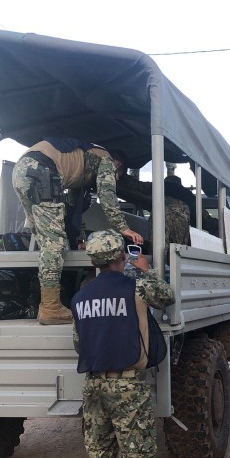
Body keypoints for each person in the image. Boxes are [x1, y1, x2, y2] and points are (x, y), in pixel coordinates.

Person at [69, 229, 175, 458]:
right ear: (120, 256)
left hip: (93, 386)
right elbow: (167, 296)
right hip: (127, 386)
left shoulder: (81, 297)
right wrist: (143, 267)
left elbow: (77, 342)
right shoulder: (137, 286)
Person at [12, 138, 143, 325]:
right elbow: (107, 195)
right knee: (53, 244)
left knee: (46, 239)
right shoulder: (106, 159)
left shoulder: (80, 161)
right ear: (118, 164)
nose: (114, 178)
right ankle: (50, 307)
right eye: (117, 176)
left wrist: (79, 239)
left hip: (22, 170)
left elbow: (73, 211)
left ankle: (45, 302)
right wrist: (124, 228)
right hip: (43, 169)